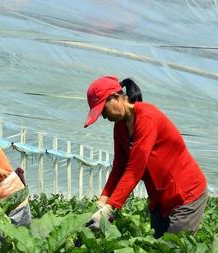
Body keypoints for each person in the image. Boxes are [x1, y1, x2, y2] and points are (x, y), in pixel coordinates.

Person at [85, 76, 207, 238]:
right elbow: (120, 165)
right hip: (160, 201)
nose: (104, 117)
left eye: (103, 110)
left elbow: (135, 169)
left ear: (114, 97)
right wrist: (103, 200)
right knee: (156, 252)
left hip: (186, 196)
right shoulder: (119, 127)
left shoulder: (147, 117)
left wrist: (111, 207)